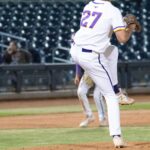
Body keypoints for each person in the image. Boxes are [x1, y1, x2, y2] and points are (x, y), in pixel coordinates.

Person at [70, 0, 137, 148]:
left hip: (75, 51)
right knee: (110, 97)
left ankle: (117, 90)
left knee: (112, 51)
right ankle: (117, 137)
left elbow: (100, 31)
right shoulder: (113, 10)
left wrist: (119, 25)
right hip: (91, 56)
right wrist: (129, 28)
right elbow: (122, 39)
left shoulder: (89, 5)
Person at [74, 45, 134, 128]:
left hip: (102, 70)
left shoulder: (100, 40)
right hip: (90, 70)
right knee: (81, 92)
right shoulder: (79, 42)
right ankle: (89, 116)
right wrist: (78, 74)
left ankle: (103, 119)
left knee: (97, 95)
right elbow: (77, 58)